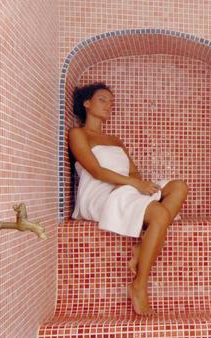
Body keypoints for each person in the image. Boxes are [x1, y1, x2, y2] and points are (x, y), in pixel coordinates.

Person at [69, 82, 189, 315]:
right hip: (101, 193)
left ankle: (141, 246)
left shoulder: (115, 140)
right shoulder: (78, 134)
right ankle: (139, 285)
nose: (109, 105)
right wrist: (135, 185)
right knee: (160, 213)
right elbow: (95, 170)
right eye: (103, 99)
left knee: (179, 187)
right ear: (87, 103)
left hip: (126, 190)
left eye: (111, 102)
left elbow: (133, 172)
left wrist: (139, 185)